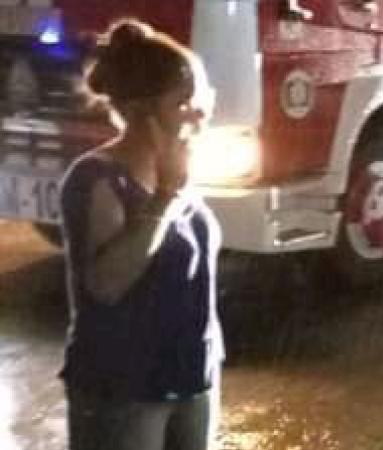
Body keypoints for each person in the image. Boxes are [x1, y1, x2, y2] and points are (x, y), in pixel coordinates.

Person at [59, 19, 223, 450]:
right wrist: (165, 198)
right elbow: (105, 285)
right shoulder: (98, 178)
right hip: (124, 387)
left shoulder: (179, 172)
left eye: (199, 98)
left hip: (192, 379)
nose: (199, 113)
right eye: (183, 102)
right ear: (140, 111)